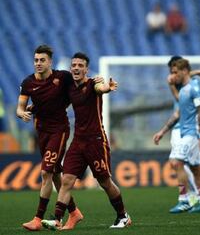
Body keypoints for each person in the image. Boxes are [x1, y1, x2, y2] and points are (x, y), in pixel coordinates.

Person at [41, 52, 131, 230]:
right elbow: (60, 103)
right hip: (78, 141)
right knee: (66, 179)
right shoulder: (70, 88)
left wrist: (107, 87)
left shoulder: (93, 84)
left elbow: (101, 89)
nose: (76, 68)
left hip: (96, 141)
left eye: (80, 65)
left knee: (105, 182)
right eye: (73, 65)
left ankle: (123, 216)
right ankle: (57, 218)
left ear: (86, 69)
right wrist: (37, 108)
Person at [16, 45, 83, 231]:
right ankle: (74, 212)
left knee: (46, 172)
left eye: (42, 60)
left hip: (59, 130)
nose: (38, 63)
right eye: (36, 60)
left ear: (50, 62)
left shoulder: (62, 77)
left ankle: (38, 219)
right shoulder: (28, 82)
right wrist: (22, 113)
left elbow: (76, 90)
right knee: (54, 173)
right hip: (41, 131)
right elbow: (20, 107)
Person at [153, 58, 200, 213]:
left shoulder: (193, 89)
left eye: (175, 72)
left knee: (176, 162)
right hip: (185, 132)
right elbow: (178, 114)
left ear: (184, 71)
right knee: (195, 167)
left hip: (192, 133)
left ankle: (184, 200)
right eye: (171, 72)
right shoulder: (184, 91)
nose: (172, 76)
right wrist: (162, 131)